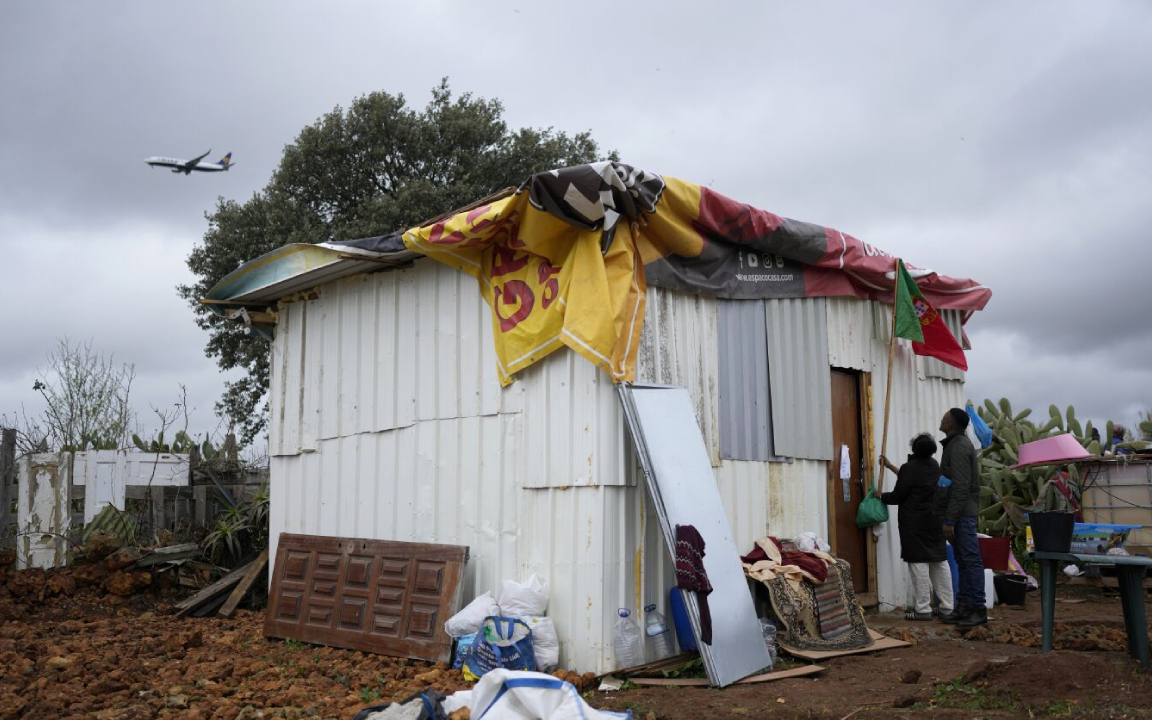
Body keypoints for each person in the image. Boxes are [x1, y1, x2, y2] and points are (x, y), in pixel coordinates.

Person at [874, 434, 954, 621]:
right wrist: (890, 465)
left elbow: (898, 495)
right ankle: (947, 607)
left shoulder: (910, 468)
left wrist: (881, 495)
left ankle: (923, 609)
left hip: (914, 523)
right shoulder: (935, 465)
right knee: (939, 561)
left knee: (918, 563)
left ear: (913, 449)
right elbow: (910, 477)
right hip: (935, 521)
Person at [938, 407, 986, 628]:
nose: (942, 418)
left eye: (945, 417)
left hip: (961, 514)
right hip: (959, 513)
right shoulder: (955, 444)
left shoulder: (958, 447)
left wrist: (950, 519)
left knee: (970, 561)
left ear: (950, 425)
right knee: (963, 562)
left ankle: (978, 609)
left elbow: (960, 487)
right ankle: (965, 607)